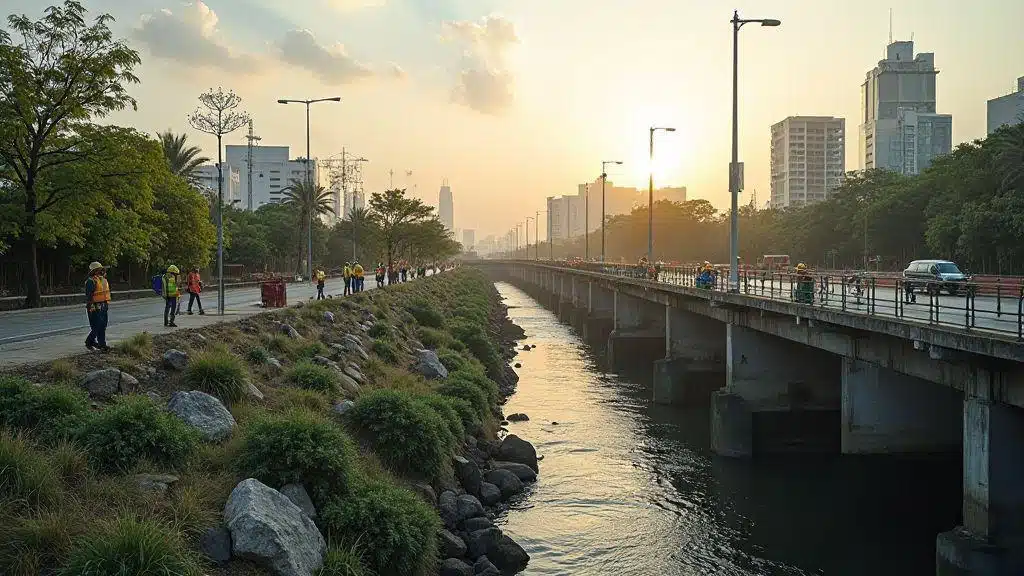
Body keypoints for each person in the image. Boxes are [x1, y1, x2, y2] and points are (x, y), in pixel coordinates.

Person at [84, 262, 111, 352]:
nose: (102, 270)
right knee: (97, 326)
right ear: (95, 271)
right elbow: (89, 296)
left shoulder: (102, 279)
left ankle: (102, 344)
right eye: (100, 269)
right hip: (95, 306)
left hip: (104, 305)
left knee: (103, 325)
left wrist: (106, 305)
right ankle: (89, 341)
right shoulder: (91, 281)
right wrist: (90, 307)